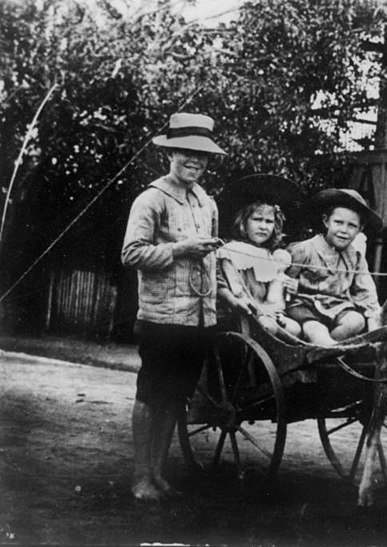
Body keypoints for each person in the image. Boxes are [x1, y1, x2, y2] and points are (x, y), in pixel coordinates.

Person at [121, 112, 226, 501]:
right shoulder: (151, 199)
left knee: (177, 397)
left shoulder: (207, 203)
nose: (194, 161)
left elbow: (211, 259)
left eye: (202, 155)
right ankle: (140, 477)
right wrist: (180, 249)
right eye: (186, 152)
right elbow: (131, 254)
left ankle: (159, 473)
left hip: (199, 320)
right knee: (151, 394)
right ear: (171, 153)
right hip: (162, 317)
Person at [286, 188, 382, 345]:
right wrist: (289, 287)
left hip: (336, 309)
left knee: (357, 321)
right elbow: (281, 278)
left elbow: (367, 295)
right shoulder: (304, 250)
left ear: (360, 229)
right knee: (316, 330)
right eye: (338, 223)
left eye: (352, 226)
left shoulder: (355, 258)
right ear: (326, 221)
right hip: (305, 308)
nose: (344, 230)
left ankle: (326, 351)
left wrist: (376, 335)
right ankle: (329, 350)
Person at [215, 174, 302, 337]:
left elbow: (274, 288)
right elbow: (235, 286)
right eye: (257, 220)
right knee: (269, 328)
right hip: (245, 310)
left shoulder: (268, 254)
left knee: (295, 329)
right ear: (243, 223)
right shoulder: (232, 250)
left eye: (269, 222)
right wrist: (246, 302)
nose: (263, 227)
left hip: (268, 308)